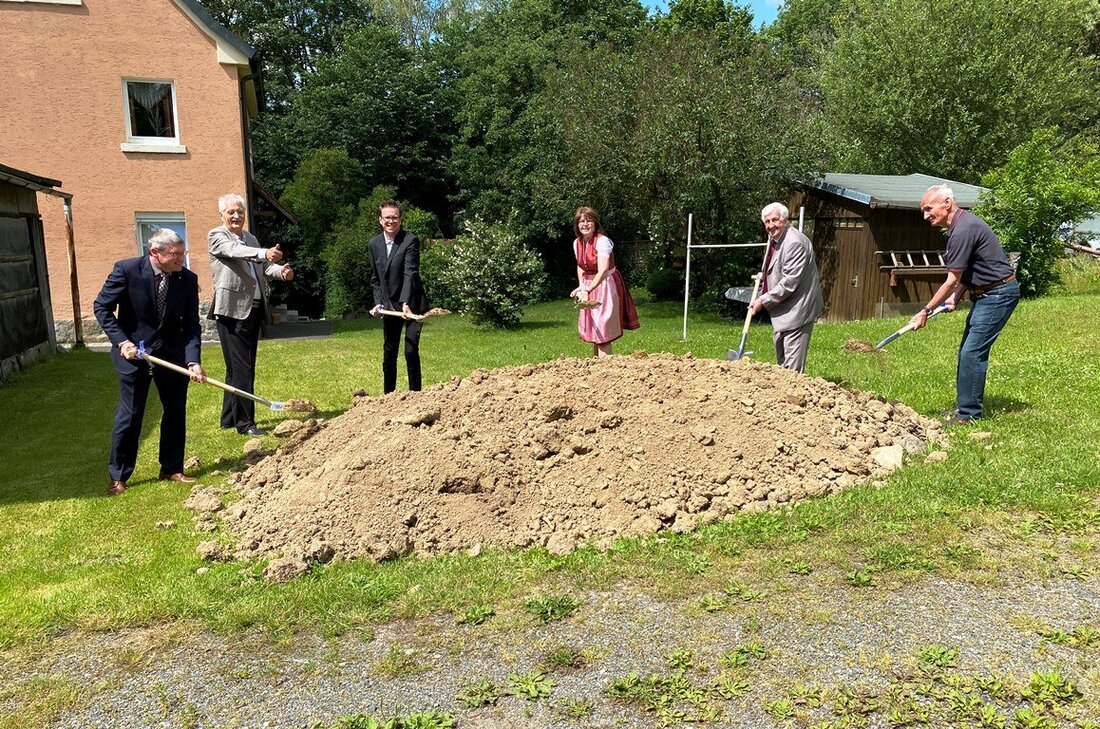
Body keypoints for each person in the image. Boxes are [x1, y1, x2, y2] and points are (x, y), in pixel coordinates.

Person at [93, 229, 205, 496]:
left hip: (172, 354)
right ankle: (119, 476)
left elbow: (191, 325)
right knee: (131, 414)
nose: (181, 259)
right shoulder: (127, 270)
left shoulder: (187, 279)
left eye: (183, 253)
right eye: (175, 254)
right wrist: (122, 342)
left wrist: (192, 361)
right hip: (133, 352)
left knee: (175, 411)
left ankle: (171, 468)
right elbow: (101, 307)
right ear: (155, 252)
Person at [909, 184, 1020, 424]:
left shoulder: (963, 229)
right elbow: (966, 270)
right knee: (966, 352)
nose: (925, 216)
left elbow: (951, 280)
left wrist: (925, 311)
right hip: (986, 294)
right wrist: (956, 297)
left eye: (928, 209)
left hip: (998, 294)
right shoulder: (960, 226)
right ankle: (964, 408)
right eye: (923, 211)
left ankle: (969, 415)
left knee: (972, 353)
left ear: (947, 203)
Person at [208, 193, 293, 436]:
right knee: (242, 368)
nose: (236, 216)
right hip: (231, 311)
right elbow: (235, 251)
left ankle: (229, 418)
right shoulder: (217, 236)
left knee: (237, 367)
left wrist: (281, 271)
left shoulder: (250, 238)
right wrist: (264, 253)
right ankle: (245, 424)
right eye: (231, 212)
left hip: (253, 309)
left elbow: (264, 267)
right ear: (222, 215)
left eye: (240, 212)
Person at [749, 202, 824, 373]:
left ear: (785, 220)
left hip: (798, 309)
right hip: (783, 309)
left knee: (791, 368)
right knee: (782, 361)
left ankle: (794, 389)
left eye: (775, 220)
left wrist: (762, 300)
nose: (770, 225)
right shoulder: (775, 238)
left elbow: (790, 282)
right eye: (767, 221)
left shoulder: (794, 243)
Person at [369, 200, 430, 393]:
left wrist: (405, 302)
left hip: (412, 302)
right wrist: (378, 304)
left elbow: (410, 272)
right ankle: (389, 397)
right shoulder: (374, 244)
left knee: (410, 350)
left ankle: (415, 394)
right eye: (387, 217)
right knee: (389, 352)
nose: (391, 221)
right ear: (380, 220)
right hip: (390, 305)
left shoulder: (410, 240)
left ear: (401, 219)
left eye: (395, 217)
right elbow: (376, 278)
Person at [570, 206, 640, 357]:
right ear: (577, 225)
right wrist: (581, 286)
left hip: (605, 284)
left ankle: (606, 367)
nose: (585, 224)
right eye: (581, 221)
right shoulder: (577, 243)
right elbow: (580, 266)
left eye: (589, 220)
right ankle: (597, 365)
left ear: (595, 223)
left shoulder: (602, 241)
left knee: (603, 329)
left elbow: (602, 270)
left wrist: (587, 290)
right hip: (589, 285)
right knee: (594, 329)